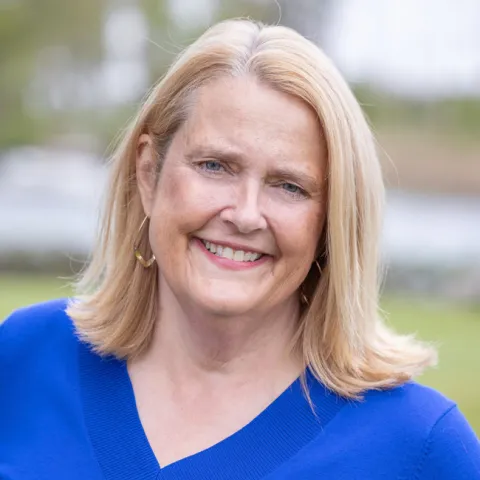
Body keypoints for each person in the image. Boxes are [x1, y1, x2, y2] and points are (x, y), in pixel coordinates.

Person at [1, 18, 479, 480]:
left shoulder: (420, 449)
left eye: (289, 186)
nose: (245, 214)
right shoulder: (23, 358)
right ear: (149, 173)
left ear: (332, 220)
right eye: (215, 166)